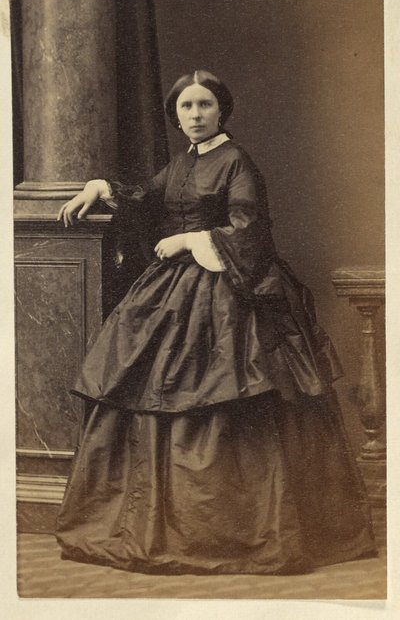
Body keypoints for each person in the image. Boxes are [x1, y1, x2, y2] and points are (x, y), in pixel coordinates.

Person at [55, 70, 376, 575]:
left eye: (204, 105)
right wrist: (102, 187)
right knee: (153, 388)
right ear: (176, 114)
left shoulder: (237, 161)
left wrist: (191, 240)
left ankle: (236, 531)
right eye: (186, 107)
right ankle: (168, 525)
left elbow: (251, 228)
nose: (195, 115)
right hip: (173, 290)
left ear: (221, 110)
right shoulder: (182, 162)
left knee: (234, 396)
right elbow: (147, 199)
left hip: (230, 292)